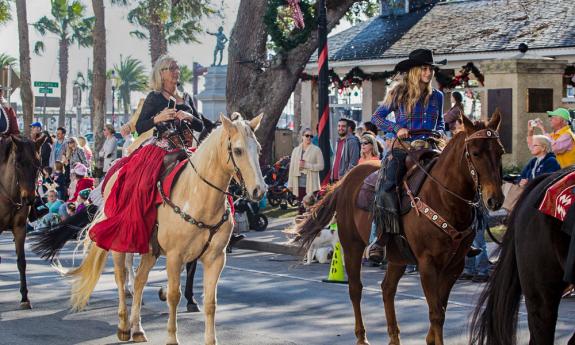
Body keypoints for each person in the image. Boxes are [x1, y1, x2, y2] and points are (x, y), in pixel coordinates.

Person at [89, 55, 205, 254]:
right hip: (161, 147)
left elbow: (201, 125)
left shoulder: (185, 97)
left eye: (177, 67)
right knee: (142, 185)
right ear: (161, 73)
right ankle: (147, 229)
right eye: (171, 68)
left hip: (186, 150)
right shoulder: (154, 97)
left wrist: (189, 116)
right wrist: (157, 118)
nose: (176, 71)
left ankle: (218, 224)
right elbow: (140, 126)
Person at [369, 48, 445, 260]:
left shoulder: (437, 96)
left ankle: (461, 235)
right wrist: (395, 129)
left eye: (431, 69)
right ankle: (382, 237)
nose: (429, 73)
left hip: (430, 145)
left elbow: (440, 122)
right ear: (413, 71)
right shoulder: (399, 92)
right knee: (386, 184)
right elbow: (377, 118)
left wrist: (438, 132)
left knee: (458, 176)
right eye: (424, 68)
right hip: (403, 147)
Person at [287, 128, 324, 214]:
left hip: (311, 183)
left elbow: (321, 166)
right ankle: (301, 226)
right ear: (302, 137)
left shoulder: (316, 150)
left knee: (311, 209)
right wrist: (290, 183)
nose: (309, 138)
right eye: (307, 135)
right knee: (301, 208)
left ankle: (311, 226)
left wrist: (307, 165)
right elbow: (292, 168)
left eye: (311, 136)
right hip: (298, 183)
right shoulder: (296, 150)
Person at [330, 118, 360, 182]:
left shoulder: (352, 141)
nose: (340, 128)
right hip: (335, 178)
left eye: (343, 126)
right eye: (339, 126)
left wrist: (345, 176)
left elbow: (354, 163)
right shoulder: (338, 141)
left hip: (344, 180)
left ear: (348, 128)